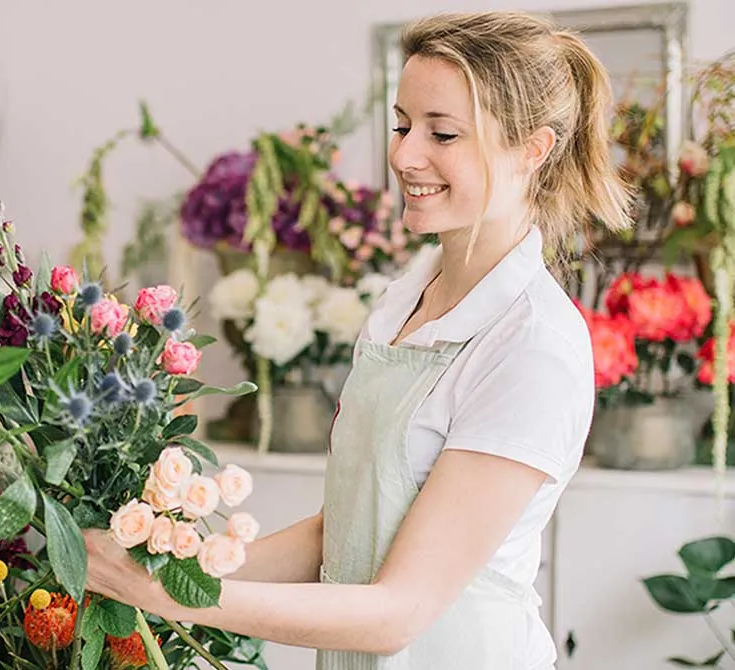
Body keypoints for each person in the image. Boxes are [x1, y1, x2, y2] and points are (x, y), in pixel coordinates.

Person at [83, 10, 632, 669]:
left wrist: (171, 595)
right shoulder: (403, 298)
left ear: (531, 150)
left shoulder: (532, 345)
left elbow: (397, 611)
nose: (403, 155)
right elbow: (339, 531)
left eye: (443, 133)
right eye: (401, 125)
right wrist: (169, 561)